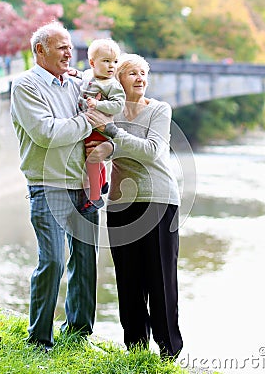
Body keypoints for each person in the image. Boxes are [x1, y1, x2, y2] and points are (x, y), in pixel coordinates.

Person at [10, 21, 108, 351]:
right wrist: (87, 121)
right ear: (40, 50)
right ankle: (39, 339)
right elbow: (47, 134)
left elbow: (108, 111)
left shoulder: (77, 85)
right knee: (51, 260)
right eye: (61, 46)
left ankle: (79, 332)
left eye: (70, 46)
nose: (70, 52)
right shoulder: (25, 86)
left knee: (85, 258)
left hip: (83, 184)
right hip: (47, 184)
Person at [85, 53, 183, 359]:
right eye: (132, 74)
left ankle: (169, 351)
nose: (140, 78)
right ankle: (136, 348)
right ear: (118, 80)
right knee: (127, 279)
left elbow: (152, 151)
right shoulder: (107, 111)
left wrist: (112, 137)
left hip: (159, 200)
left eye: (144, 73)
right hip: (120, 202)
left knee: (161, 279)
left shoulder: (159, 110)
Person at [69, 38, 125, 213]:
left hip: (100, 127)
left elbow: (118, 105)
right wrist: (75, 73)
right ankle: (103, 182)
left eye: (115, 62)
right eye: (106, 61)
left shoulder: (113, 85)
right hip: (89, 125)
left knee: (92, 159)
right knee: (93, 156)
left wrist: (98, 105)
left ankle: (94, 198)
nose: (111, 66)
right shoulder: (88, 74)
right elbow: (83, 77)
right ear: (92, 63)